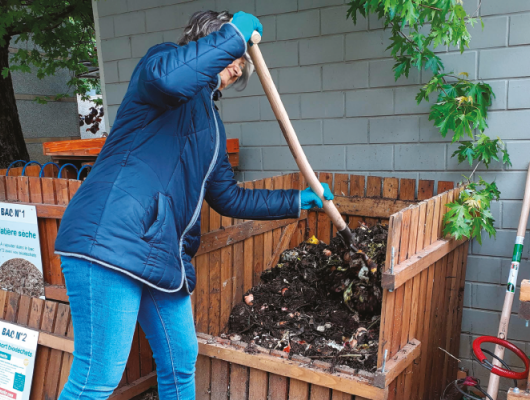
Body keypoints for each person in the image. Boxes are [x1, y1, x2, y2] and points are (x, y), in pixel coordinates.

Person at [53, 10, 333, 400]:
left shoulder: (212, 127)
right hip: (111, 239)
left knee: (181, 360)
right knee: (97, 376)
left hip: (161, 252)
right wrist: (234, 36)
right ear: (210, 40)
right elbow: (174, 77)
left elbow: (227, 196)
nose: (239, 68)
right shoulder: (162, 66)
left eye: (242, 64)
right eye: (236, 58)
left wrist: (296, 200)